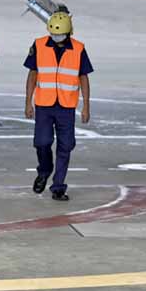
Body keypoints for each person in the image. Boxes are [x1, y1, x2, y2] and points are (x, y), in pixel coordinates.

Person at [24, 11, 93, 202]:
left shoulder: (78, 49)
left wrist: (85, 105)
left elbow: (83, 78)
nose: (56, 38)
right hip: (44, 105)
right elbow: (32, 75)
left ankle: (58, 187)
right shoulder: (39, 45)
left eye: (59, 35)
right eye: (53, 34)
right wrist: (28, 102)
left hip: (66, 106)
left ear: (69, 32)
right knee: (41, 142)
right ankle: (44, 170)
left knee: (66, 146)